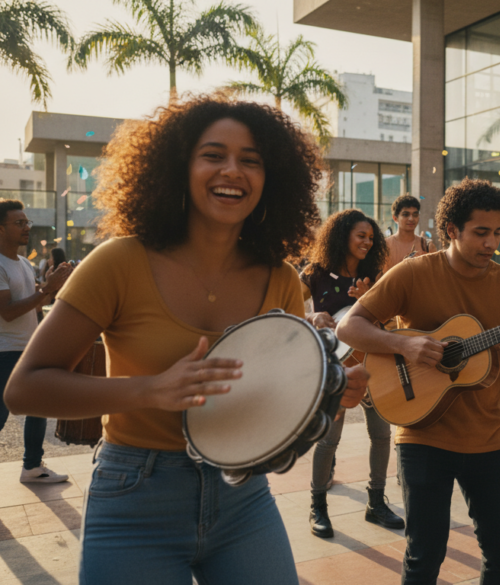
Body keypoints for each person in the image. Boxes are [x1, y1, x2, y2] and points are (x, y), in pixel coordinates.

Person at [3, 95, 368, 584]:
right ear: (179, 167)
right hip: (135, 495)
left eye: (251, 160)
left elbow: (264, 398)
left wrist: (328, 391)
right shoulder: (119, 262)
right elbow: (24, 388)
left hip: (243, 499)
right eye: (213, 155)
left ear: (272, 178)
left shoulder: (279, 277)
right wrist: (149, 389)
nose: (232, 170)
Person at [337, 178, 500, 585]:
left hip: (488, 438)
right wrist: (402, 347)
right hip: (422, 434)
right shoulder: (413, 273)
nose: (491, 243)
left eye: (497, 233)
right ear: (452, 230)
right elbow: (348, 327)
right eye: (480, 233)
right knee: (424, 555)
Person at [301, 208, 405, 538]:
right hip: (335, 369)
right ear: (342, 235)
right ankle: (318, 506)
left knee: (381, 435)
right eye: (360, 236)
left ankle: (376, 503)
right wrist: (312, 318)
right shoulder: (315, 273)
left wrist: (369, 305)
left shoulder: (375, 276)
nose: (367, 242)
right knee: (329, 440)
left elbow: (391, 326)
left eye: (371, 238)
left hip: (373, 366)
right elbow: (282, 307)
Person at [0, 200, 72, 483]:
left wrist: (46, 339)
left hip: (28, 349)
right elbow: (6, 312)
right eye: (19, 223)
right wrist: (46, 289)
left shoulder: (25, 264)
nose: (26, 227)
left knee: (39, 405)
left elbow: (36, 309)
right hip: (5, 352)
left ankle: (32, 467)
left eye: (27, 222)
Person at [384, 194, 436, 272]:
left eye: (415, 214)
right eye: (405, 215)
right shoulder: (385, 246)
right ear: (395, 218)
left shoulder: (426, 246)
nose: (411, 219)